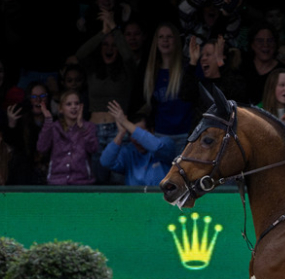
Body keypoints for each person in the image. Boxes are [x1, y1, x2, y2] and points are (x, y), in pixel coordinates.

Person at [73, 9, 138, 184]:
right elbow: (80, 55)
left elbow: (130, 58)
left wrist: (115, 30)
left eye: (114, 45)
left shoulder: (126, 72)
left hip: (118, 130)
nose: (110, 48)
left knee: (118, 181)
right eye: (105, 45)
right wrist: (103, 33)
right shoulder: (93, 70)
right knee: (97, 180)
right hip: (95, 130)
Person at [143, 22, 200, 157]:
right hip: (161, 135)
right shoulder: (152, 71)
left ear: (176, 40)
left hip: (185, 136)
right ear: (156, 42)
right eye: (161, 37)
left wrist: (193, 64)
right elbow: (151, 107)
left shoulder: (188, 68)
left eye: (169, 37)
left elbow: (196, 96)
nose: (165, 40)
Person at [100, 100, 174, 186]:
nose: (136, 137)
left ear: (151, 131)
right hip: (135, 198)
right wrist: (120, 134)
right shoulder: (128, 151)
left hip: (160, 197)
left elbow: (156, 147)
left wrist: (124, 121)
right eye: (132, 133)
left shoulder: (166, 143)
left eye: (139, 132)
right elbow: (106, 162)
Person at [36, 90, 99, 185]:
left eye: (76, 103)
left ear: (81, 106)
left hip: (82, 182)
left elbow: (93, 149)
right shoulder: (54, 127)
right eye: (69, 104)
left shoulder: (89, 127)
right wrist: (48, 121)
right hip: (57, 182)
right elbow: (41, 148)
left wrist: (82, 128)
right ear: (61, 109)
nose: (74, 107)